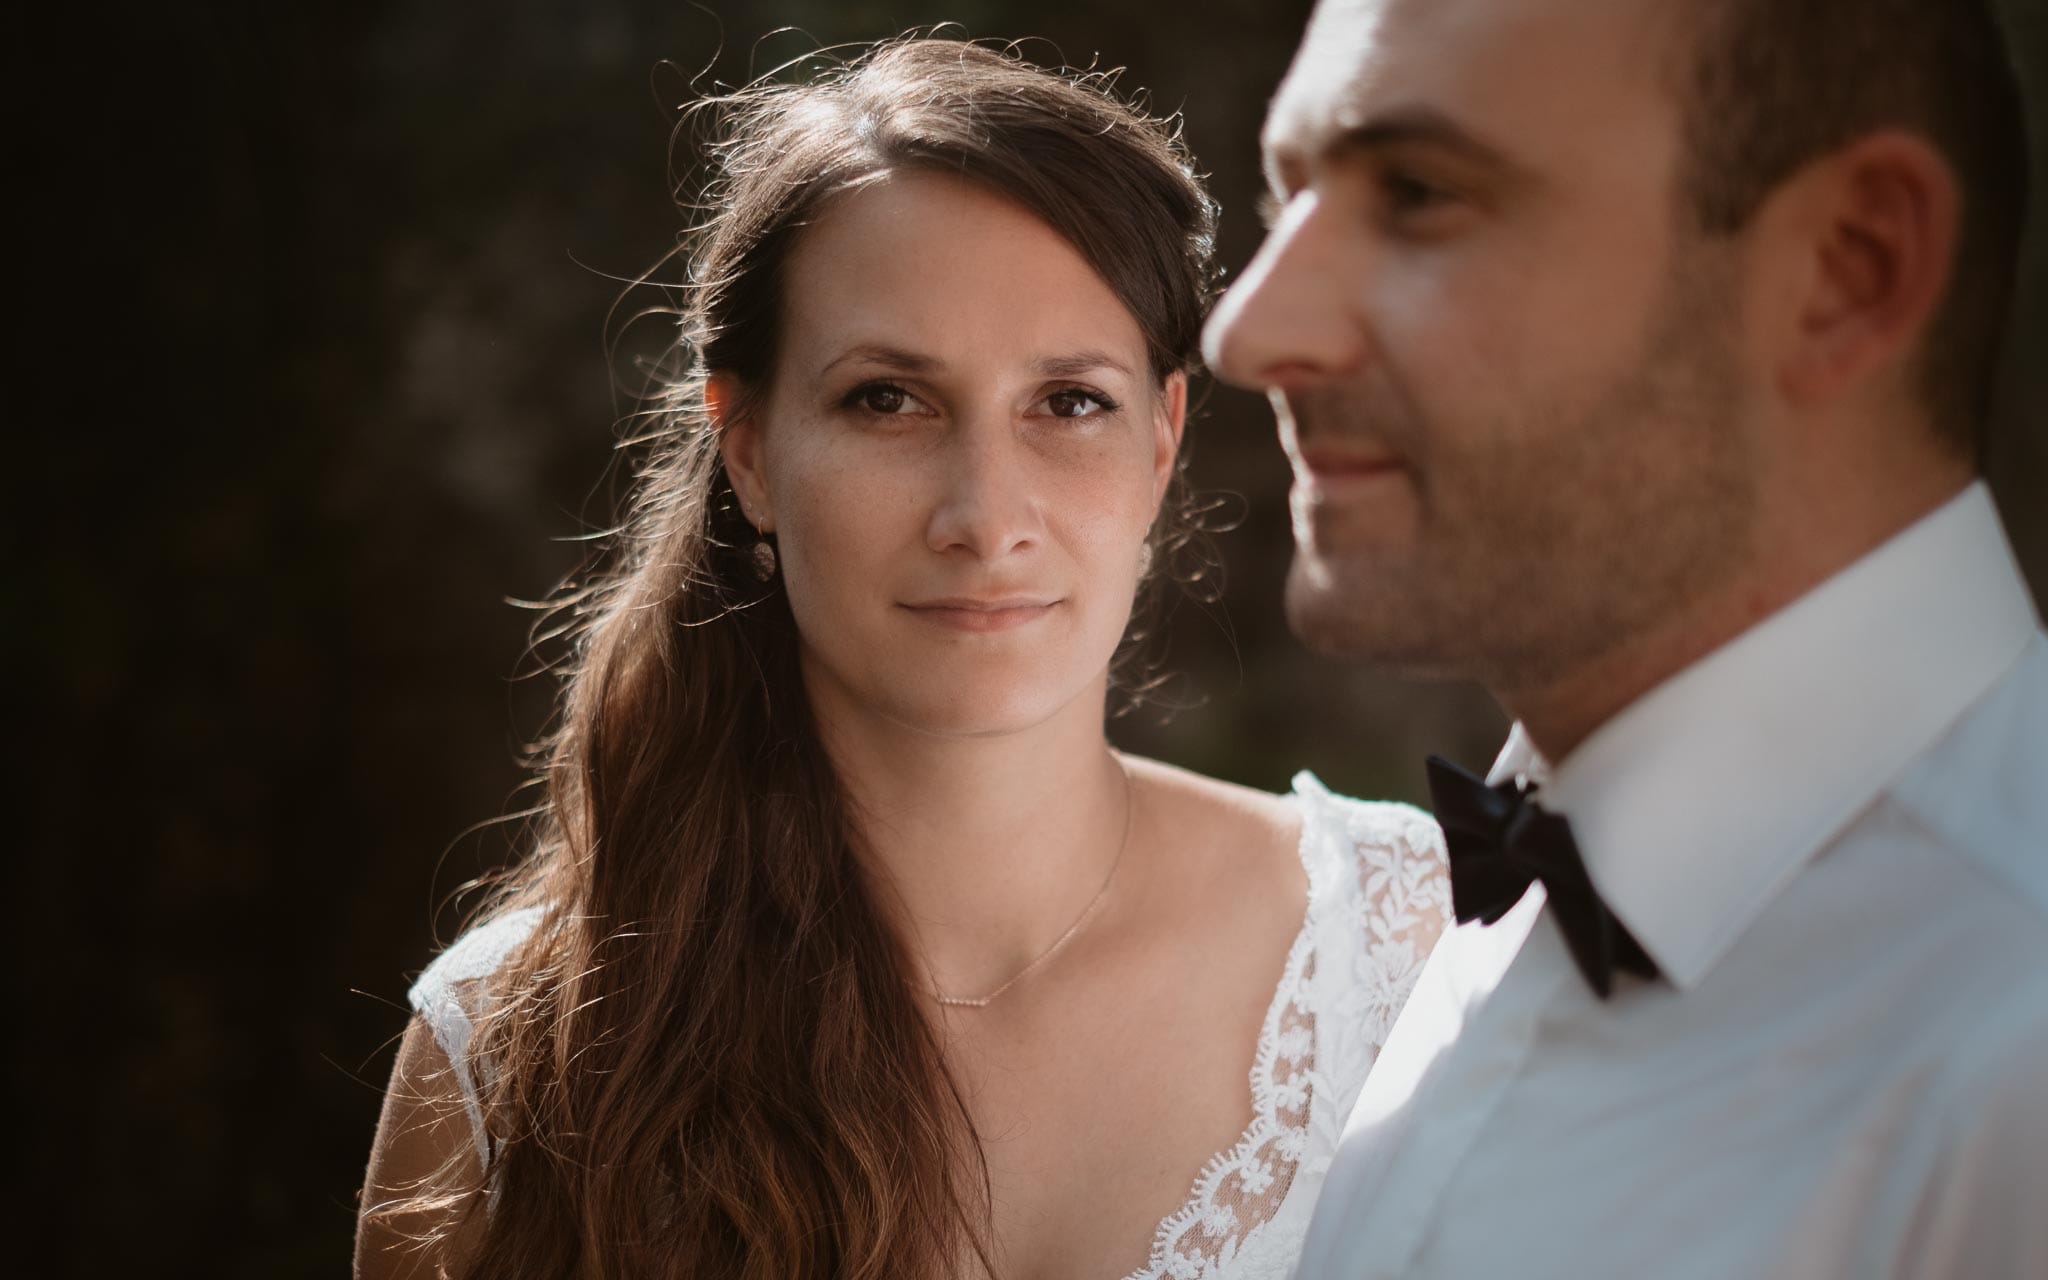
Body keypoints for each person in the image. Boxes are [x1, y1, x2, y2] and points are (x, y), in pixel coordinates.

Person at [354, 38, 1450, 1280]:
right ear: (752, 449)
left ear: (1161, 441)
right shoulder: (513, 1053)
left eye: (1068, 401)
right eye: (887, 399)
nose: (986, 516)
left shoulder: (1412, 950)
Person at [1203, 0, 2044, 1275]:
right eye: (1288, 202)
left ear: (1844, 267)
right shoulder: (1488, 898)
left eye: (1419, 192)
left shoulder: (2012, 1043)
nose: (1247, 333)